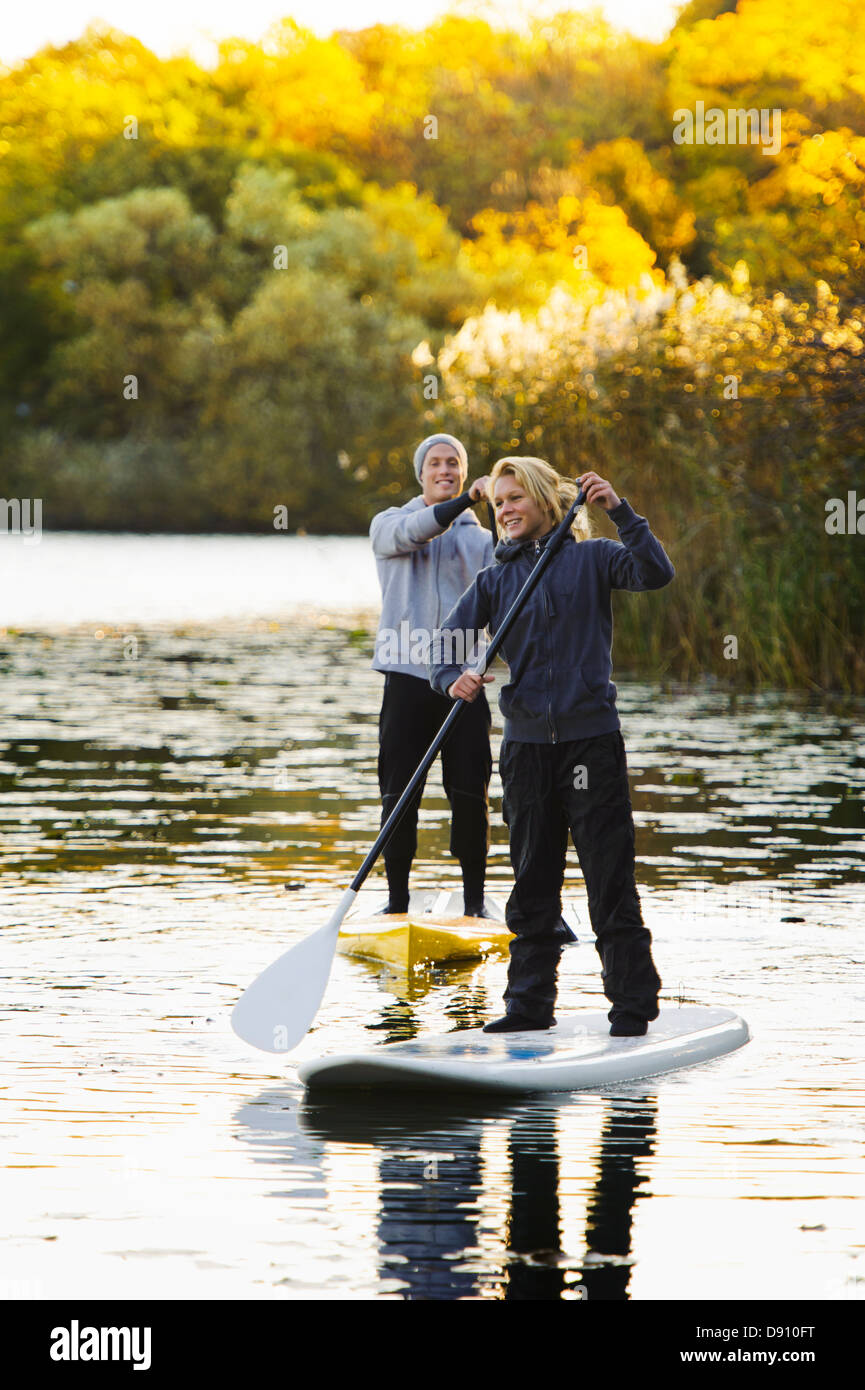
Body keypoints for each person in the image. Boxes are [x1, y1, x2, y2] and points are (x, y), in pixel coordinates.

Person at [429, 456, 675, 1036]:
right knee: (532, 879)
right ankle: (529, 1006)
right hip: (527, 751)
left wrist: (620, 511)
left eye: (516, 498)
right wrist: (452, 679)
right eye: (499, 503)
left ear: (545, 500)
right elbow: (444, 648)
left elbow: (655, 572)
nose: (506, 509)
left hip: (592, 744)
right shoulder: (495, 581)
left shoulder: (593, 558)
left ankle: (632, 1007)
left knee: (608, 877)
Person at [370, 433, 494, 916]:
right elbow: (419, 530)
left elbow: (504, 601)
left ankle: (475, 905)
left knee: (470, 793)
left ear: (463, 473)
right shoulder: (389, 525)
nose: (444, 470)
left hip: (463, 686)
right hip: (406, 680)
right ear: (421, 474)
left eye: (454, 465)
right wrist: (465, 501)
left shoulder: (483, 540)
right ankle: (396, 903)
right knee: (398, 794)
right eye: (435, 464)